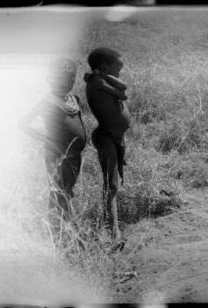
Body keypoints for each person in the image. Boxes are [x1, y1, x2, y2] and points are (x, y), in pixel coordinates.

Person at [19, 58, 87, 228]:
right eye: (60, 79)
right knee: (59, 193)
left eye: (70, 79)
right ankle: (72, 235)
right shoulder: (47, 102)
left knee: (66, 192)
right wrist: (47, 140)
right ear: (50, 79)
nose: (65, 83)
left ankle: (61, 232)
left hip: (74, 156)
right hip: (58, 155)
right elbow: (23, 123)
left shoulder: (74, 100)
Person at [84, 47, 131, 243]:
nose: (119, 73)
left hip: (114, 136)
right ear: (104, 67)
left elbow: (123, 87)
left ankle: (113, 228)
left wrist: (105, 75)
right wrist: (102, 76)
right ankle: (113, 233)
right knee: (111, 186)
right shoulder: (97, 82)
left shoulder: (101, 79)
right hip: (105, 136)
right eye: (117, 68)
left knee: (114, 184)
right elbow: (122, 94)